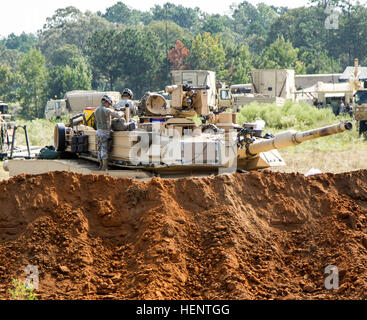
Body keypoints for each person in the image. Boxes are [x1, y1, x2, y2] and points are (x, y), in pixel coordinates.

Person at [94, 95, 124, 171]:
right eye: (109, 104)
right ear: (106, 102)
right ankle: (104, 166)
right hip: (104, 132)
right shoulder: (106, 110)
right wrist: (121, 112)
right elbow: (117, 115)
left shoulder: (96, 110)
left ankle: (100, 165)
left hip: (98, 131)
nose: (109, 105)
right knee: (104, 149)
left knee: (100, 149)